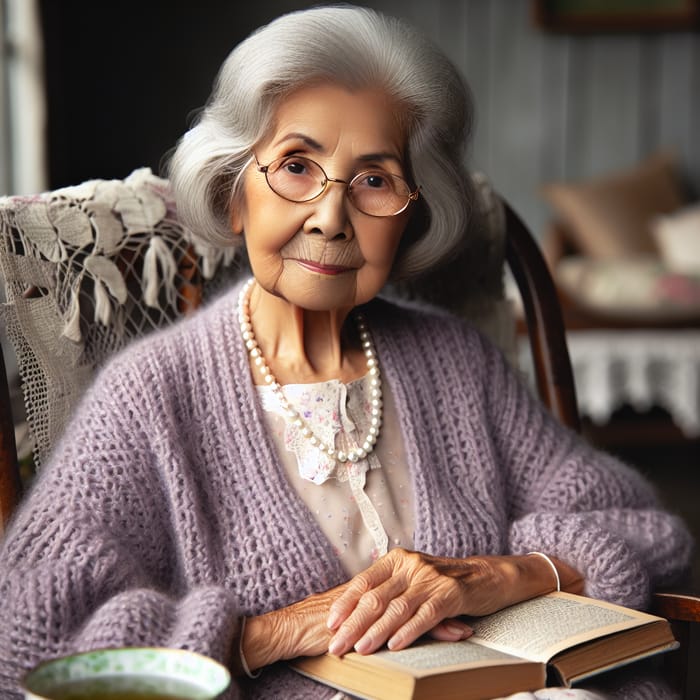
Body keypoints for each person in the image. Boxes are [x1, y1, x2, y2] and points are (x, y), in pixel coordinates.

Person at [0, 5, 693, 699]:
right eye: (296, 166)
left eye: (374, 179)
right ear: (234, 192)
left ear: (411, 215)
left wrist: (503, 574)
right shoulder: (152, 394)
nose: (331, 218)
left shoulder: (454, 361)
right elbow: (25, 637)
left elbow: (643, 531)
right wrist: (262, 633)